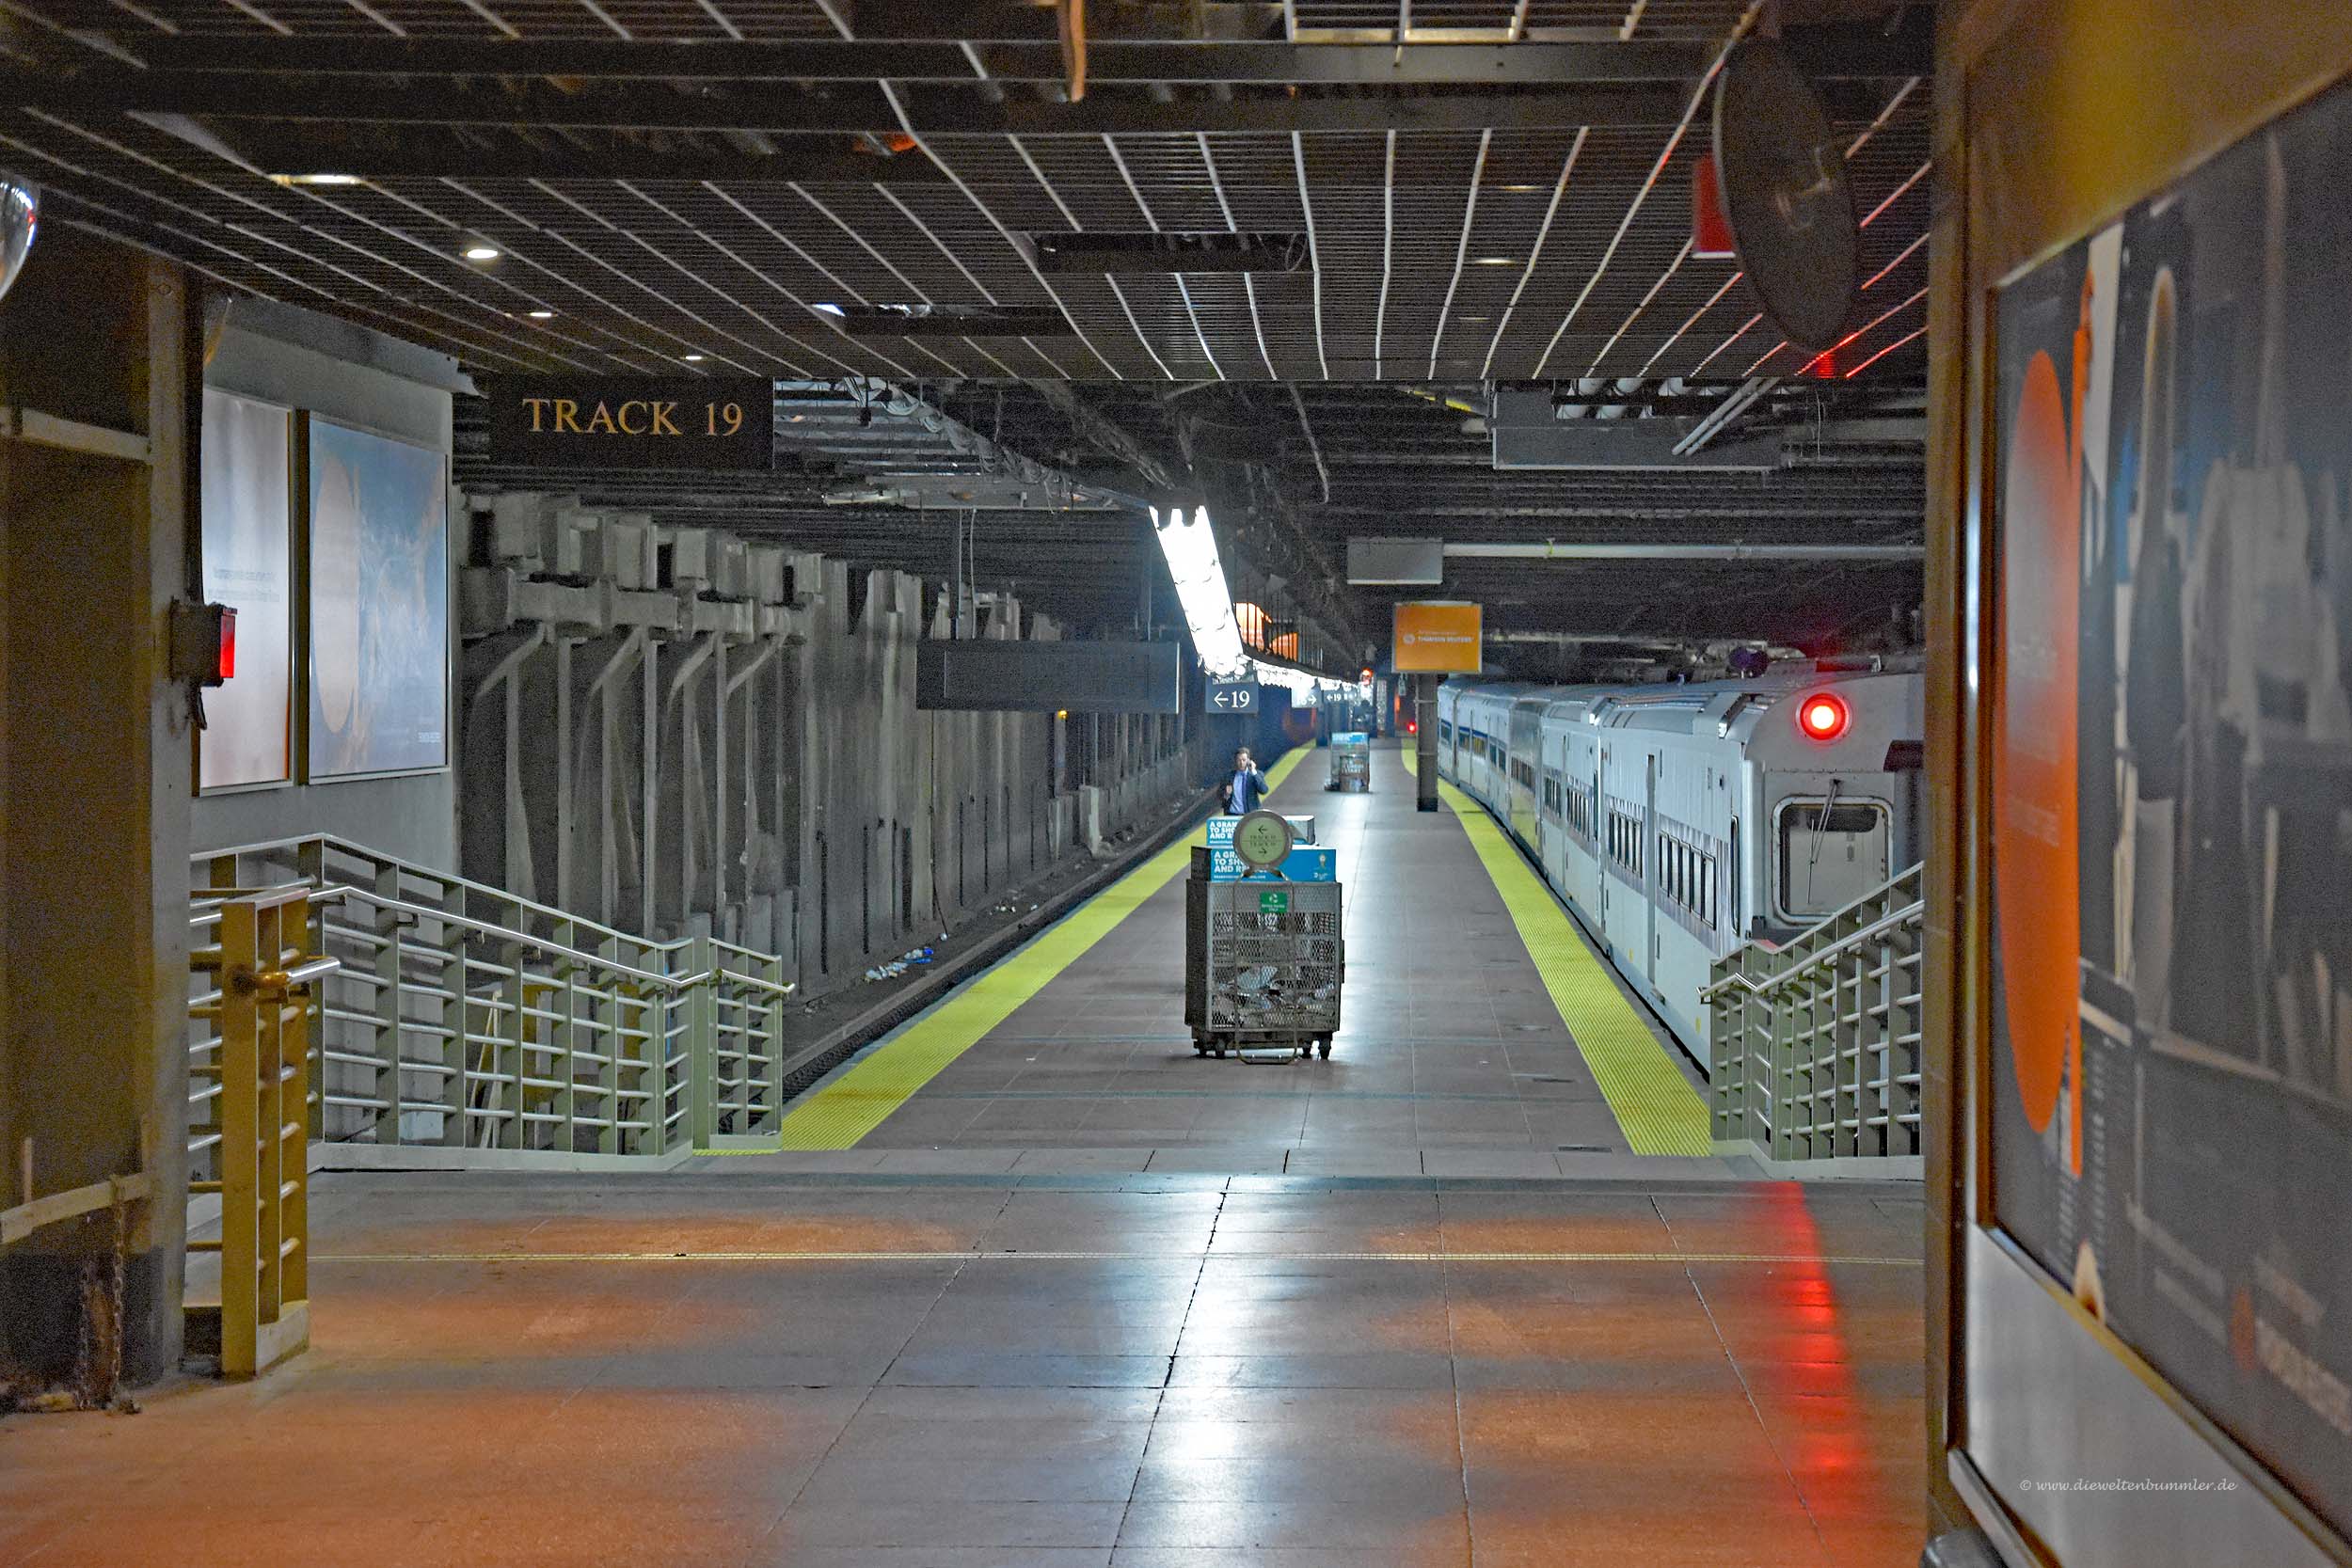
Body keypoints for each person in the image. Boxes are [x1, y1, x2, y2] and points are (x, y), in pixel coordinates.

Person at [1223, 747, 1268, 815]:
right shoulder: (1229, 776)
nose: (1241, 763)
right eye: (1239, 760)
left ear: (1248, 760)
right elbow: (1219, 795)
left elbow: (1264, 790)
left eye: (1244, 760)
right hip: (1232, 815)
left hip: (1251, 815)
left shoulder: (1256, 774)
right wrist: (1226, 794)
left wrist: (1253, 772)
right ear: (1235, 761)